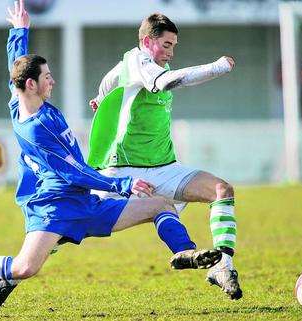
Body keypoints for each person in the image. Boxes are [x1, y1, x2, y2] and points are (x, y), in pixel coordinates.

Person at [0, 0, 222, 310]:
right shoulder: (38, 130)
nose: (52, 80)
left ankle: (186, 253)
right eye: (47, 77)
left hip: (85, 202)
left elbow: (17, 62)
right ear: (32, 84)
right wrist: (125, 185)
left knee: (161, 204)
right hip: (54, 208)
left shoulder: (21, 101)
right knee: (23, 268)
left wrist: (19, 31)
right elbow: (75, 173)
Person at [87, 13, 242, 300]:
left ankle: (223, 267)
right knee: (73, 222)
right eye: (166, 45)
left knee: (222, 190)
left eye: (174, 46)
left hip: (165, 168)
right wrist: (218, 67)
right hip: (123, 173)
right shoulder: (137, 62)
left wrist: (101, 99)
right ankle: (17, 271)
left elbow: (108, 87)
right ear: (147, 42)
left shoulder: (140, 67)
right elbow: (168, 82)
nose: (170, 52)